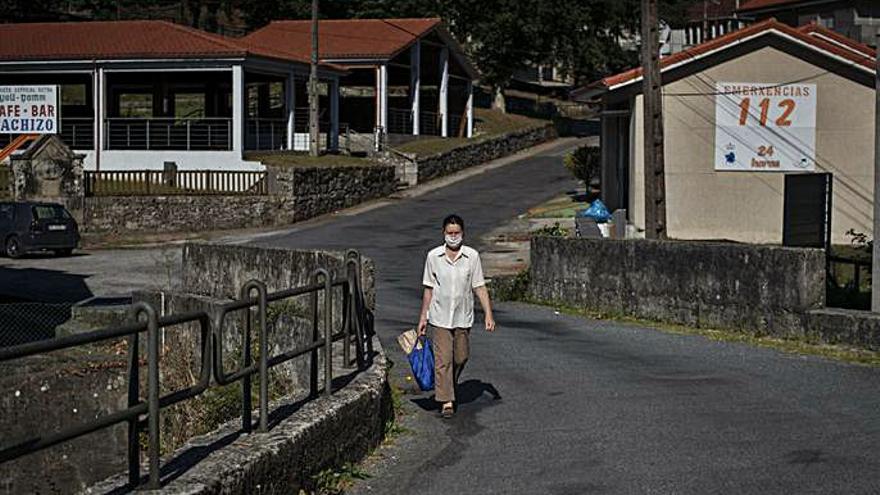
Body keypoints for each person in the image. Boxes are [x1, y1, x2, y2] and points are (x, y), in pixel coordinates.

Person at [418, 214, 495, 419]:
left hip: (463, 316)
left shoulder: (472, 257)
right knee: (443, 359)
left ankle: (446, 384)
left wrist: (488, 313)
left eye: (457, 233)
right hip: (440, 316)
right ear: (443, 233)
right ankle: (446, 401)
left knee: (461, 356)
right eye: (449, 233)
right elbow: (428, 289)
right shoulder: (433, 257)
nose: (453, 236)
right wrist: (423, 317)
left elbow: (479, 286)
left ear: (463, 233)